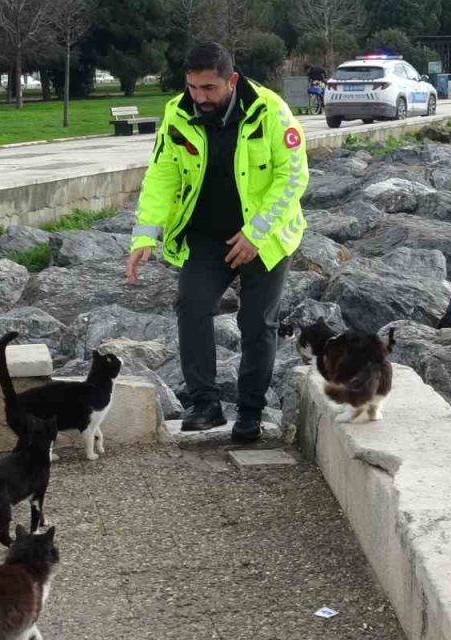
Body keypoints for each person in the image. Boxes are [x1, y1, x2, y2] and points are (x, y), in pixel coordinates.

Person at [126, 42, 310, 443]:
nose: (199, 97)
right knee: (191, 306)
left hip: (266, 236)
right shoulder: (178, 112)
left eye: (208, 88)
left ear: (232, 80)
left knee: (257, 323)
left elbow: (293, 177)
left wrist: (256, 234)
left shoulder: (271, 111)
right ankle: (203, 404)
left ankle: (250, 411)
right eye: (192, 87)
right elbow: (162, 175)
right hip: (207, 236)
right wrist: (146, 234)